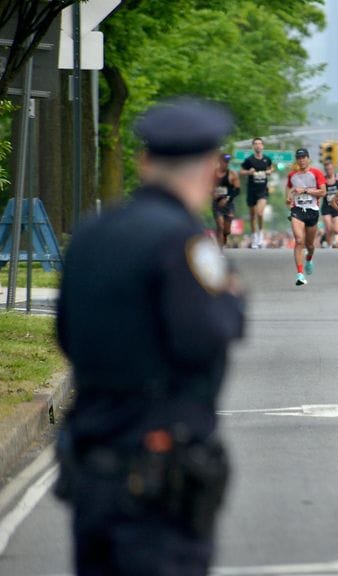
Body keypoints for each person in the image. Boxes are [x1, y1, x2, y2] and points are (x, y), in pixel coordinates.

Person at [55, 97, 244, 575]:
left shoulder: (91, 233)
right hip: (157, 468)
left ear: (143, 163)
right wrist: (232, 296)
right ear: (211, 170)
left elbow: (66, 333)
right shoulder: (184, 240)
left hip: (93, 465)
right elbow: (208, 333)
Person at [286, 148, 326, 286]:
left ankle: (309, 258)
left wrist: (304, 190)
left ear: (308, 159)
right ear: (296, 160)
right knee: (299, 240)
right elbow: (289, 190)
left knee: (310, 245)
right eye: (299, 158)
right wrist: (289, 199)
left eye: (304, 157)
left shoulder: (316, 173)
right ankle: (300, 274)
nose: (301, 160)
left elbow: (323, 192)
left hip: (312, 210)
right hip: (297, 210)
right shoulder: (292, 175)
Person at [241, 137, 273, 248]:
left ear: (262, 146)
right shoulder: (249, 160)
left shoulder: (267, 159)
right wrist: (248, 172)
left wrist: (269, 171)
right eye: (256, 144)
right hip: (251, 190)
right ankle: (254, 236)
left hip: (262, 190)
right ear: (253, 146)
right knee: (252, 215)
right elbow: (241, 171)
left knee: (260, 213)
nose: (258, 146)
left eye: (260, 144)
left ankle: (261, 234)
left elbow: (271, 168)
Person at [212, 153, 240, 248]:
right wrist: (216, 197)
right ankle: (219, 247)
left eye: (228, 162)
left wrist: (227, 198)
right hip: (217, 203)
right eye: (224, 162)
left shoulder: (232, 174)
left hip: (229, 204)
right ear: (219, 162)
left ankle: (225, 236)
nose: (226, 164)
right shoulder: (213, 174)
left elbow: (237, 190)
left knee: (227, 230)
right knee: (220, 226)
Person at [320, 159, 338, 249]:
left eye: (330, 169)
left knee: (336, 229)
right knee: (329, 228)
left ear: (333, 168)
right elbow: (320, 191)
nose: (329, 171)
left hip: (336, 206)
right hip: (326, 206)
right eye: (327, 170)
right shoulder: (323, 179)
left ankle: (335, 242)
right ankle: (329, 245)